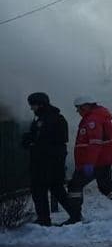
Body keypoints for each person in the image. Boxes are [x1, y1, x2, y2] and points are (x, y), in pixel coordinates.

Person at [65, 96, 112, 224]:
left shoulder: (93, 119)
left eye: (79, 108)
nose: (78, 111)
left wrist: (89, 164)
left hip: (95, 162)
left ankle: (75, 218)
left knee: (74, 185)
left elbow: (95, 144)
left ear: (86, 106)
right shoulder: (100, 115)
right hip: (102, 160)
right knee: (106, 187)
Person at [20, 92, 71, 227]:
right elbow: (36, 136)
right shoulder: (40, 119)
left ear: (41, 104)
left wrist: (37, 143)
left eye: (33, 105)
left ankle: (47, 219)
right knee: (52, 189)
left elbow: (61, 140)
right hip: (42, 161)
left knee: (45, 189)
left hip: (49, 161)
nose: (32, 108)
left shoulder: (55, 119)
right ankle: (72, 214)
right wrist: (29, 139)